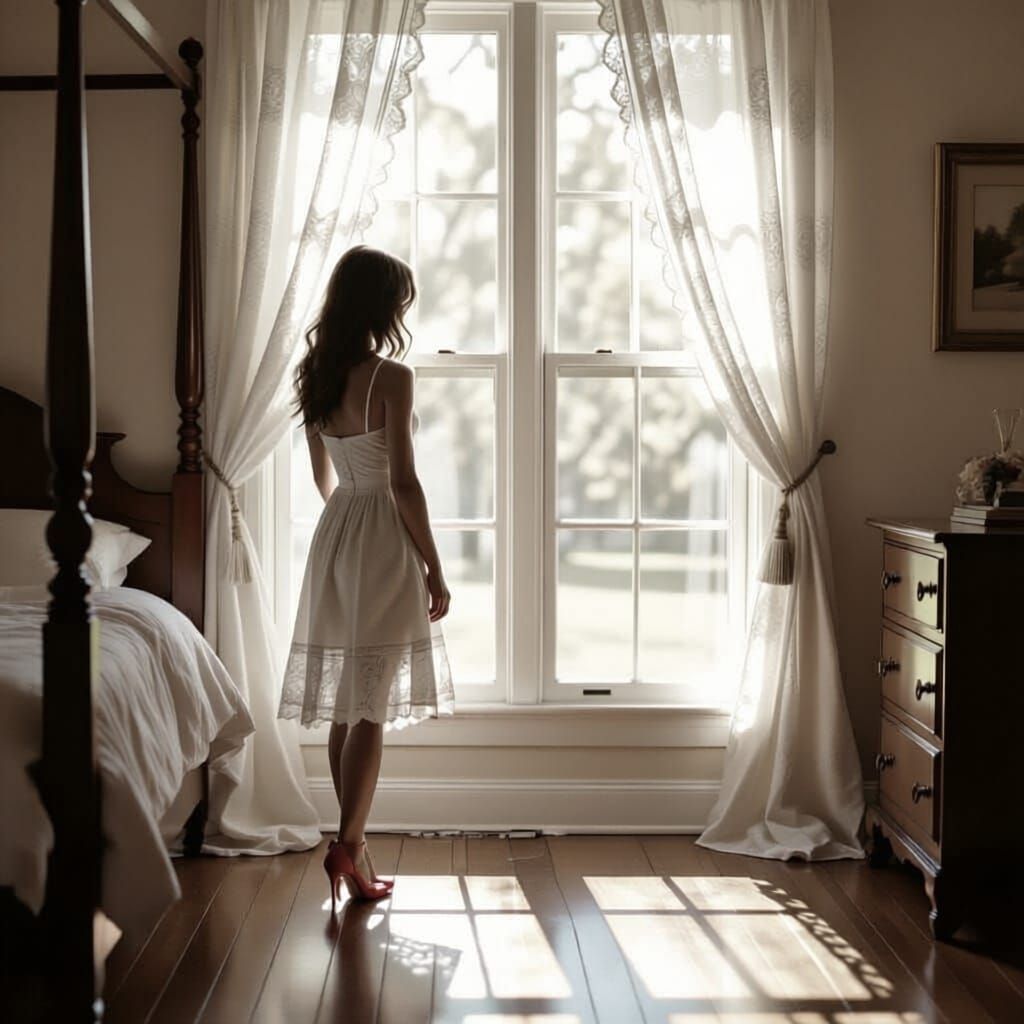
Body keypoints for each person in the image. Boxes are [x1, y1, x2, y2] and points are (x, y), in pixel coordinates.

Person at [277, 245, 454, 907]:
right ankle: (347, 849)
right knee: (370, 706)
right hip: (380, 534)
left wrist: (346, 525)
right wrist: (433, 567)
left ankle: (354, 846)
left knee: (347, 707)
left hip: (339, 533)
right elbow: (404, 483)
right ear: (383, 306)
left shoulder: (315, 374)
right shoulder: (392, 377)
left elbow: (324, 477)